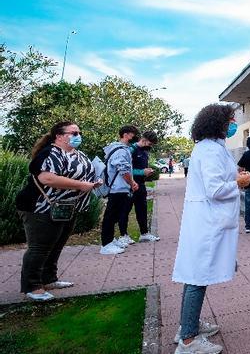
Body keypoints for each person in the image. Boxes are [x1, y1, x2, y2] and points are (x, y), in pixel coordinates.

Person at [173, 103, 250, 354]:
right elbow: (215, 189)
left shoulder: (213, 148)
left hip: (209, 220)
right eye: (231, 120)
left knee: (195, 275)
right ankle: (188, 341)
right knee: (198, 277)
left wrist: (235, 175)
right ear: (218, 122)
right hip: (208, 222)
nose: (233, 124)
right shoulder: (209, 150)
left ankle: (188, 325)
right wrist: (238, 182)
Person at [16, 121, 102, 302]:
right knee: (40, 247)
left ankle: (48, 278)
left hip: (66, 208)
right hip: (41, 208)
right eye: (74, 133)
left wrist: (94, 183)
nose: (78, 136)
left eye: (79, 132)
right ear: (60, 136)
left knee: (56, 244)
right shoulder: (49, 153)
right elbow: (47, 178)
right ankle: (32, 286)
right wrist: (80, 185)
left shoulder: (78, 154)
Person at [100, 125, 141, 255]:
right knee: (111, 216)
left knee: (114, 216)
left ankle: (110, 240)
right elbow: (123, 169)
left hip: (118, 188)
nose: (135, 137)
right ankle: (106, 244)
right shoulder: (121, 150)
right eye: (133, 134)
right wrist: (132, 182)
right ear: (126, 134)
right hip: (117, 188)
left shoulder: (118, 148)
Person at [119, 130, 160, 245]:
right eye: (150, 144)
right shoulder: (130, 150)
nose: (150, 146)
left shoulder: (145, 152)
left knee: (142, 209)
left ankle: (144, 234)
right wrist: (142, 172)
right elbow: (124, 169)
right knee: (125, 210)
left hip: (141, 185)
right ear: (144, 139)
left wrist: (147, 172)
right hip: (129, 185)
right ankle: (123, 235)